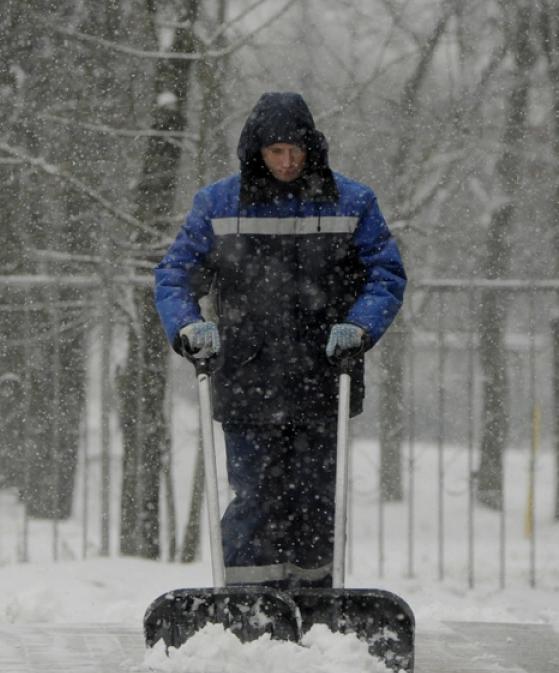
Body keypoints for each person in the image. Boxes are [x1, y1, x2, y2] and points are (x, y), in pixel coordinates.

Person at [154, 92, 406, 589]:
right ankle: (249, 599)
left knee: (316, 497)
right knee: (256, 495)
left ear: (313, 147)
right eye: (276, 152)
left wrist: (360, 326)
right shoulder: (217, 204)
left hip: (324, 375)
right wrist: (187, 325)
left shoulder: (353, 203)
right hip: (247, 378)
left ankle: (314, 599)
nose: (288, 162)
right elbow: (176, 274)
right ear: (256, 152)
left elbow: (385, 273)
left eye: (296, 150)